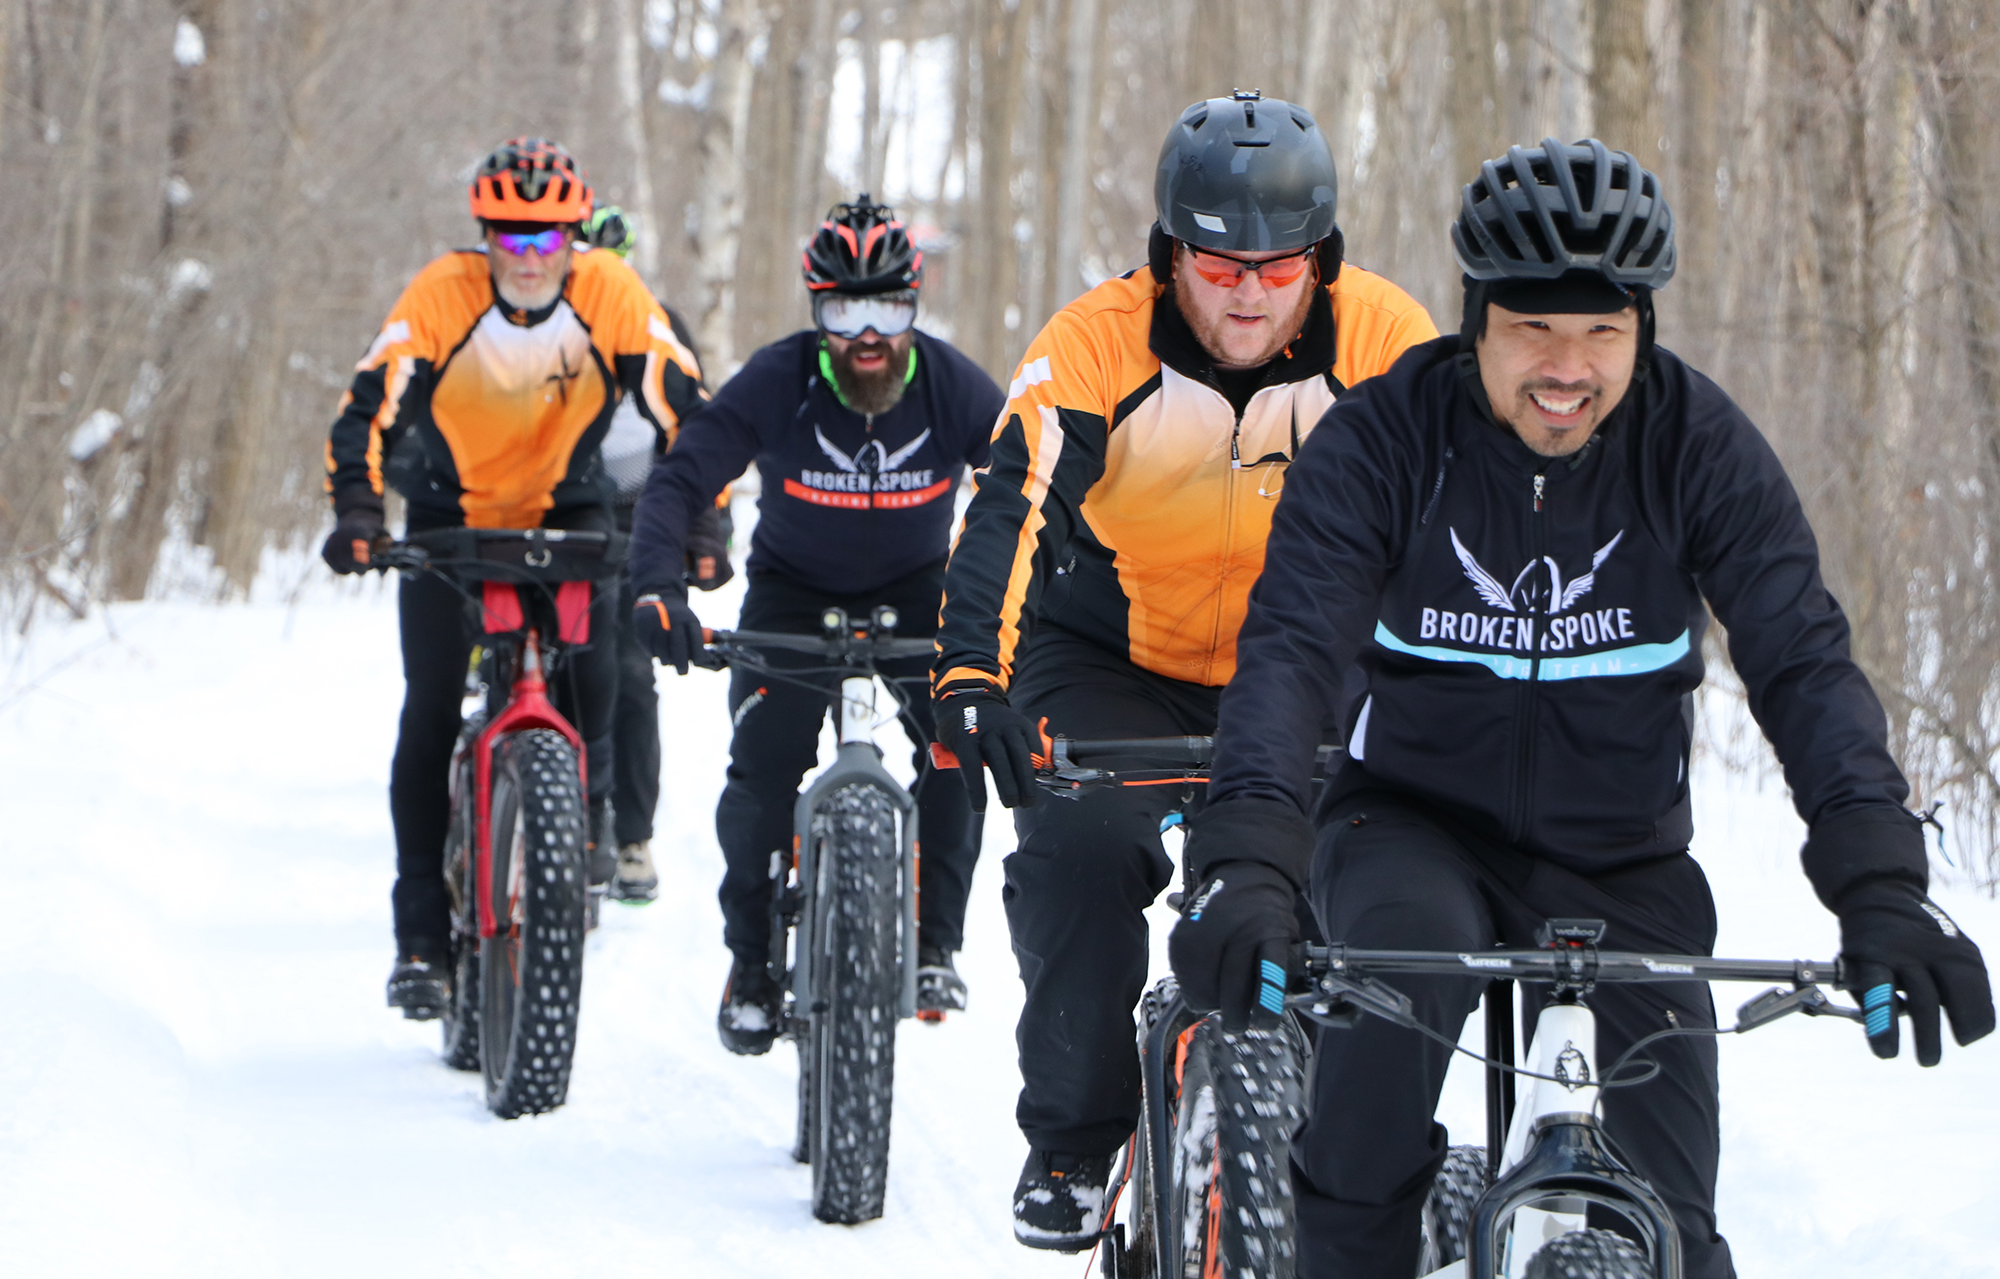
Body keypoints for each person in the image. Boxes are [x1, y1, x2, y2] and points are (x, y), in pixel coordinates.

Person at [1168, 137, 1996, 1278]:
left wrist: (1881, 885)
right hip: (1407, 824)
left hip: (1621, 856)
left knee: (1680, 1228)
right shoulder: (1383, 439)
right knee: (1365, 1113)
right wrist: (1247, 857)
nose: (1567, 368)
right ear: (1475, 327)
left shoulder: (1695, 446)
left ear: (1640, 331)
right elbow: (1291, 648)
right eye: (1532, 333)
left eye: (1600, 332)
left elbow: (1800, 662)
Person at [928, 91, 1439, 1250]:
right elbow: (1009, 506)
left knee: (1367, 866)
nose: (1248, 290)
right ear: (1172, 254)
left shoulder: (1386, 345)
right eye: (1218, 262)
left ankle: (1349, 1139)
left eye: (1279, 263)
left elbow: (1461, 525)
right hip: (1112, 651)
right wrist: (969, 674)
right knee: (1078, 846)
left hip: (1299, 663)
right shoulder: (1093, 345)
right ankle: (1072, 1136)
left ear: (1320, 256)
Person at [323, 138, 705, 1017]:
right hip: (451, 514)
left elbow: (686, 406)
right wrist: (355, 510)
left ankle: (587, 827)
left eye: (548, 239)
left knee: (601, 670)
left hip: (568, 506)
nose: (530, 258)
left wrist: (702, 522)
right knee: (427, 707)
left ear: (576, 238)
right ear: (484, 234)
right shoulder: (442, 292)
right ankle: (420, 933)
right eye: (511, 237)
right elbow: (368, 401)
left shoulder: (609, 290)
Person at [628, 195, 1005, 1054]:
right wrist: (657, 589)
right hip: (793, 594)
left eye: (887, 308)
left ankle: (936, 940)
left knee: (960, 742)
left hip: (919, 591)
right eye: (844, 310)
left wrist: (1046, 599)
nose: (867, 333)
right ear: (816, 309)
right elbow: (681, 479)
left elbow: (1037, 490)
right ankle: (753, 964)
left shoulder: (952, 386)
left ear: (913, 304)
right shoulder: (780, 379)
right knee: (761, 774)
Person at [580, 204, 735, 905]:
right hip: (551, 507)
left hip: (638, 510)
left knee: (628, 671)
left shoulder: (658, 324)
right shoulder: (538, 326)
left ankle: (631, 834)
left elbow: (698, 432)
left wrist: (704, 533)